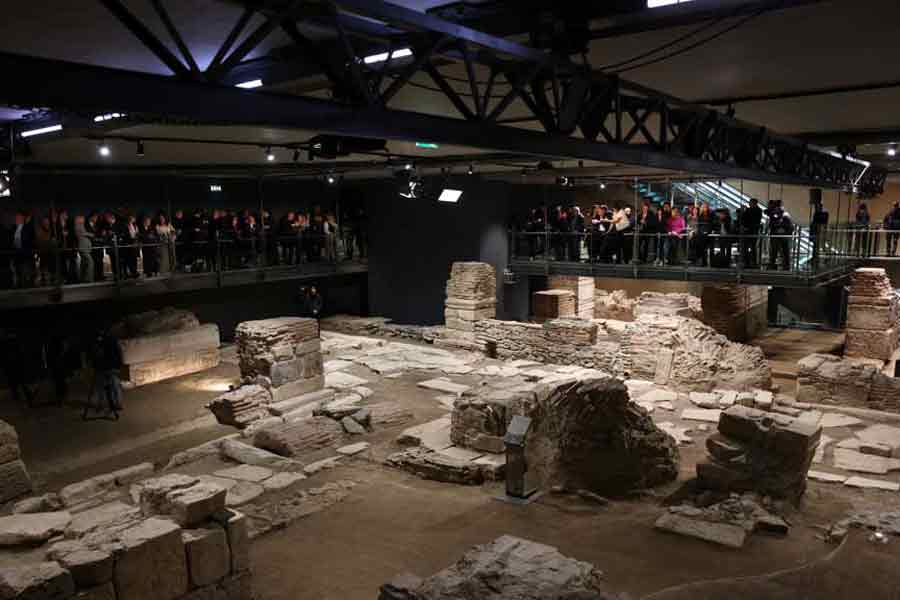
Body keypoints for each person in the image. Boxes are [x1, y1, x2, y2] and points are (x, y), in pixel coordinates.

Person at [739, 197, 763, 268]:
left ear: (754, 203)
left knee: (752, 247)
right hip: (748, 231)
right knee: (746, 247)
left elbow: (753, 219)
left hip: (753, 231)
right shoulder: (749, 210)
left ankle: (752, 262)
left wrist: (745, 210)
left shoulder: (757, 210)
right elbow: (743, 219)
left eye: (750, 203)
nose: (749, 204)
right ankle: (747, 262)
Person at [74, 214, 95, 282]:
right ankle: (89, 278)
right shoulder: (77, 226)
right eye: (82, 218)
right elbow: (82, 233)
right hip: (83, 248)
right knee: (90, 262)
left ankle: (82, 278)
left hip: (85, 247)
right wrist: (91, 234)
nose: (83, 219)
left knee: (84, 263)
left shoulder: (82, 225)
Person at [810, 197, 829, 266]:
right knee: (815, 246)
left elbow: (823, 222)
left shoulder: (824, 214)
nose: (817, 208)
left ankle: (826, 256)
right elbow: (814, 223)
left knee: (823, 245)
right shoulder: (816, 214)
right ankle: (815, 256)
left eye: (818, 207)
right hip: (816, 231)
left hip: (821, 231)